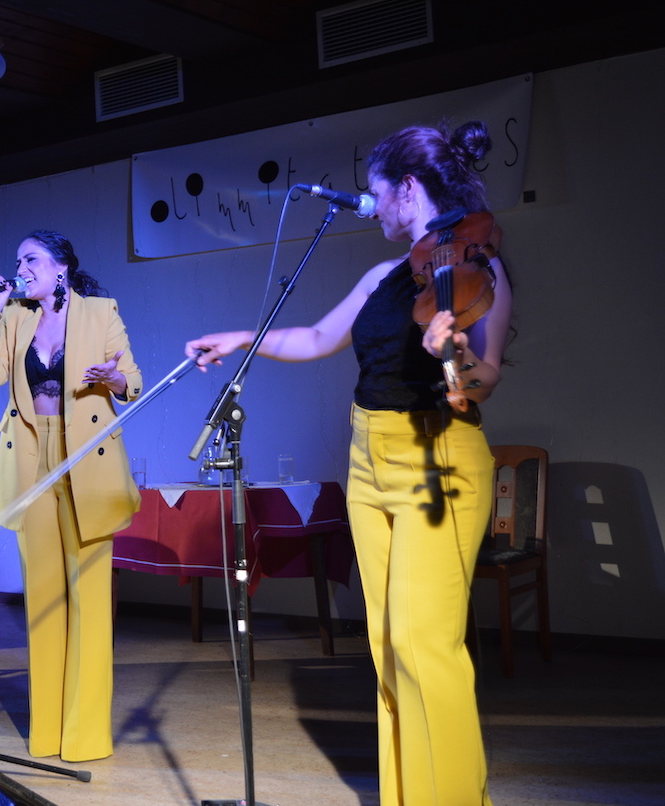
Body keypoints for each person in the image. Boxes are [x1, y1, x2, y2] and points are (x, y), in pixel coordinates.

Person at [186, 121, 511, 805]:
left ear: (406, 187)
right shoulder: (382, 275)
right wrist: (240, 337)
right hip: (368, 460)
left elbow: (483, 377)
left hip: (437, 456)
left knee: (426, 645)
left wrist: (449, 354)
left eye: (376, 191)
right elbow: (314, 337)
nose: (372, 206)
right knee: (387, 645)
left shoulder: (477, 266)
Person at [0, 230, 142, 762]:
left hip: (85, 456)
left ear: (60, 266)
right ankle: (47, 731)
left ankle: (85, 734)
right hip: (31, 459)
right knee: (44, 600)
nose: (21, 267)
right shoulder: (13, 316)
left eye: (31, 259)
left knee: (89, 598)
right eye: (17, 259)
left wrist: (113, 379)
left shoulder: (100, 312)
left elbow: (133, 381)